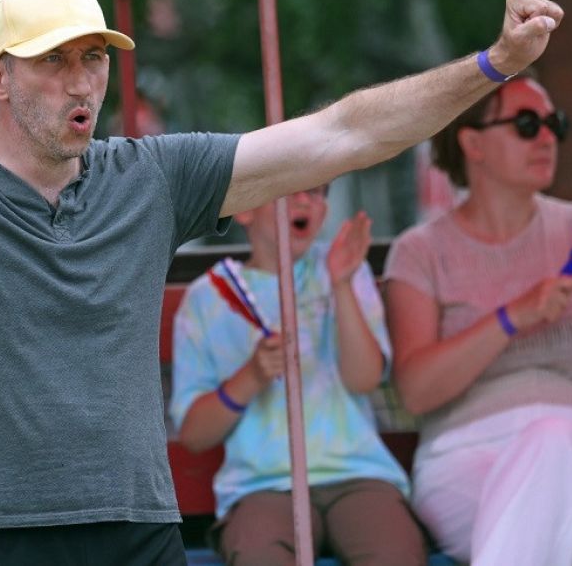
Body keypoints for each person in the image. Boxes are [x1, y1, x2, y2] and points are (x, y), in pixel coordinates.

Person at [0, 0, 562, 564]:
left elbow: (344, 133)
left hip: (136, 527)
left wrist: (493, 65)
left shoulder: (153, 176)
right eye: (54, 60)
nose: (81, 82)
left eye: (94, 58)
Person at [383, 74, 572, 565]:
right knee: (562, 532)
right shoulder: (420, 252)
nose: (547, 138)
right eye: (526, 124)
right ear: (472, 143)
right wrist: (512, 317)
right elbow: (416, 392)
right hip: (463, 457)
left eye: (554, 124)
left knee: (548, 440)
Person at [170, 187, 425, 565]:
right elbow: (194, 434)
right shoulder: (208, 299)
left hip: (356, 473)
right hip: (262, 484)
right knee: (260, 555)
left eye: (318, 191)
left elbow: (364, 379)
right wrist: (252, 376)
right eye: (290, 189)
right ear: (245, 209)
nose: (306, 201)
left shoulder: (345, 268)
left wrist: (341, 284)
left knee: (394, 553)